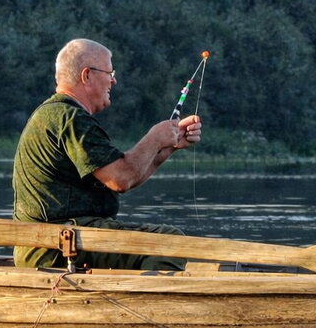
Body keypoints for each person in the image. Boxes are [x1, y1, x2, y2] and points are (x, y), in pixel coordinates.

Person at [12, 38, 202, 270]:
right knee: (170, 241)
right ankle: (144, 305)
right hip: (55, 247)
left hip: (55, 242)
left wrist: (168, 146)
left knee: (163, 241)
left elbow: (128, 178)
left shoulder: (58, 114)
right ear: (87, 76)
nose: (114, 80)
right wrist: (154, 138)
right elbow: (120, 178)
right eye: (109, 72)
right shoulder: (69, 118)